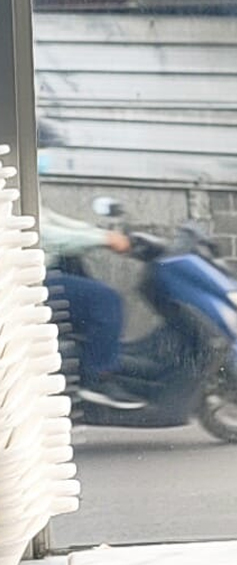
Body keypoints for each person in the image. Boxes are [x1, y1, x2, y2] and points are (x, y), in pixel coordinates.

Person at [37, 121, 144, 409]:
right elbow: (47, 235)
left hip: (37, 272)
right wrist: (100, 237)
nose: (45, 156)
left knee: (80, 270)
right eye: (41, 149)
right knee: (106, 302)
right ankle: (97, 378)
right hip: (28, 283)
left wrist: (97, 232)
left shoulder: (20, 184)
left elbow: (53, 220)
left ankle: (89, 356)